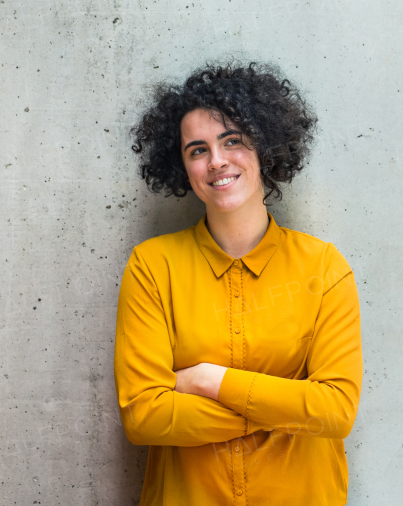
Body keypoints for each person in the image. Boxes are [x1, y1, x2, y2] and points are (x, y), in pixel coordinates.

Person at [114, 62, 362, 506]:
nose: (217, 161)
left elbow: (335, 411)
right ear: (183, 167)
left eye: (233, 141)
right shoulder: (152, 267)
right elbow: (145, 416)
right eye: (197, 149)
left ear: (264, 146)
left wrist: (210, 381)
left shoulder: (324, 267)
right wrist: (286, 408)